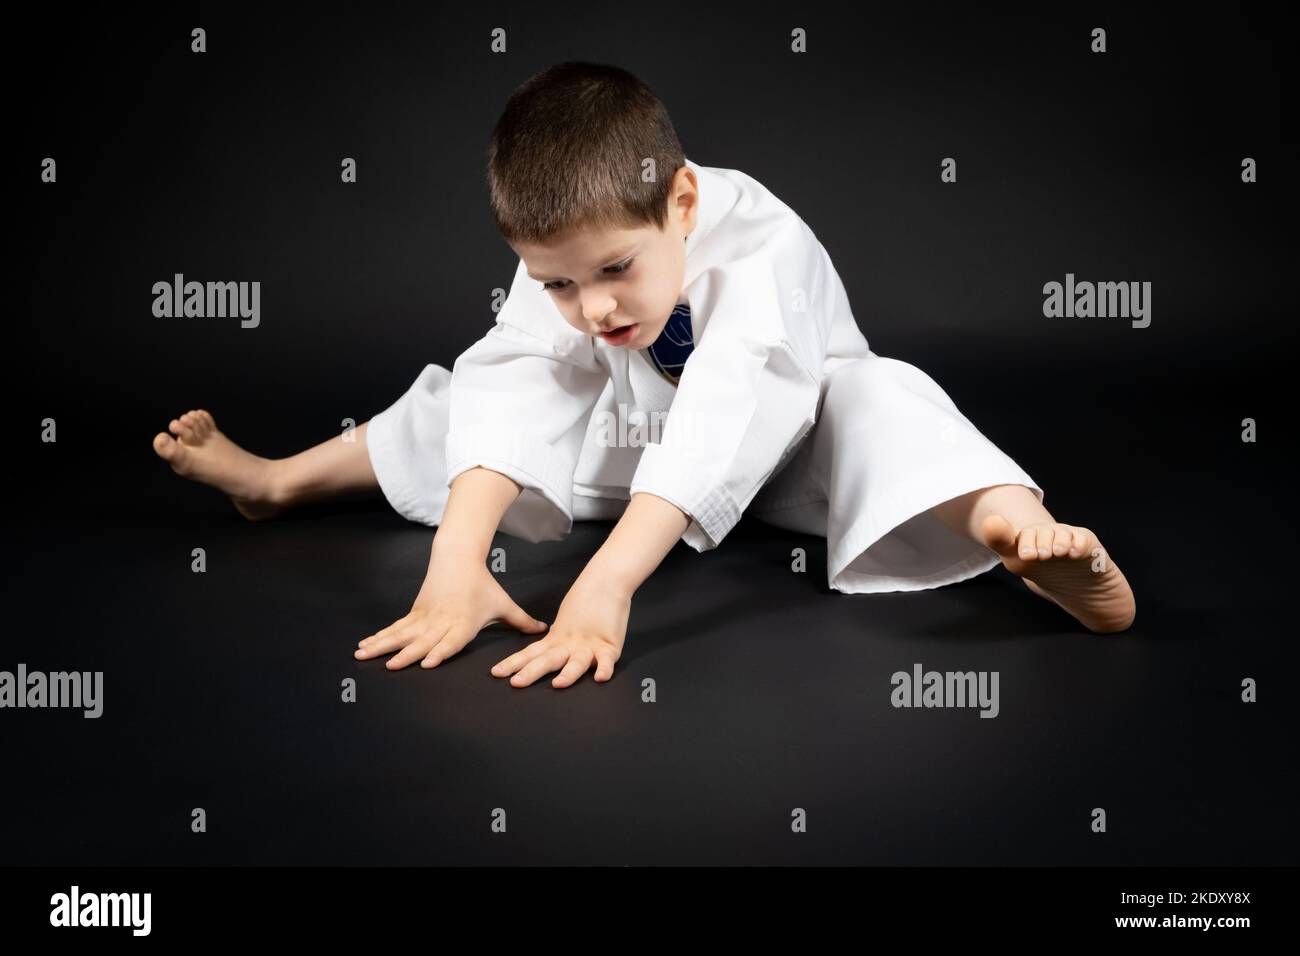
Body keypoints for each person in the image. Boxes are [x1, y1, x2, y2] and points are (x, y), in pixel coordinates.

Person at [151, 62, 1136, 690]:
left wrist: (606, 581)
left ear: (682, 199)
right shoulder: (574, 259)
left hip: (798, 460)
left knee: (888, 394)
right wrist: (457, 565)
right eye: (559, 282)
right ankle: (279, 481)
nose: (593, 307)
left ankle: (1014, 530)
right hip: (632, 452)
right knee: (456, 403)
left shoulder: (762, 242)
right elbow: (519, 375)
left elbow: (729, 404)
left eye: (615, 270)